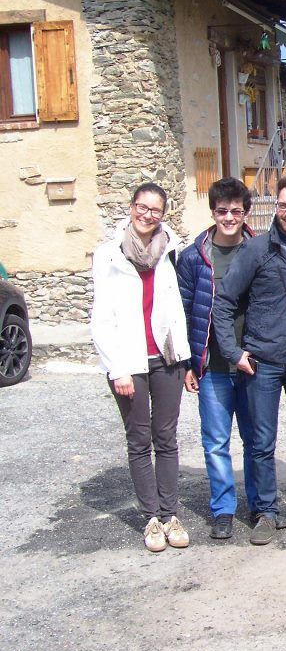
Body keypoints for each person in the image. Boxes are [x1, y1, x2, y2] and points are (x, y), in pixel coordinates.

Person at [211, 173, 286, 545]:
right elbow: (224, 302)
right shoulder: (257, 249)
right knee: (262, 443)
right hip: (262, 362)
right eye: (283, 205)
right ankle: (266, 511)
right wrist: (234, 353)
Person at [91, 182, 191, 553]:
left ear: (163, 214)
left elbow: (178, 308)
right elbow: (101, 317)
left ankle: (170, 514)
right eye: (142, 207)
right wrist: (116, 368)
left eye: (155, 210)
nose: (147, 215)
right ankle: (151, 518)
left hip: (167, 359)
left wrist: (186, 359)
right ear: (132, 207)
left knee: (166, 437)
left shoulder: (171, 250)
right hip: (129, 361)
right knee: (139, 439)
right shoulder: (109, 254)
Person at [177, 177, 256, 540]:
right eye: (222, 211)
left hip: (253, 365)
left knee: (256, 441)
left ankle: (259, 504)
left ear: (245, 213)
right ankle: (223, 509)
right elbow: (184, 311)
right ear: (212, 212)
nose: (229, 218)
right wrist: (187, 365)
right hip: (213, 367)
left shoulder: (260, 250)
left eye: (236, 211)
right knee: (215, 443)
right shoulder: (194, 257)